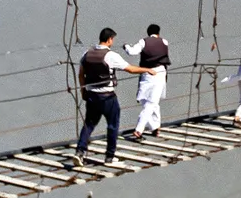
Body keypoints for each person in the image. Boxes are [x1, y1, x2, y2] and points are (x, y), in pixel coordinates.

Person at [70, 28, 158, 167]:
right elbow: (130, 69)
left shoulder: (86, 54)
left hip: (92, 96)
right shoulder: (110, 55)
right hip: (107, 97)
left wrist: (83, 92)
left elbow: (81, 74)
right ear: (110, 39)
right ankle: (110, 156)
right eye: (113, 39)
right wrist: (147, 69)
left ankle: (79, 152)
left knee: (89, 124)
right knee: (112, 125)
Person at [123, 24, 170, 139]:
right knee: (152, 102)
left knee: (148, 102)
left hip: (147, 73)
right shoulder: (165, 41)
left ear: (148, 33)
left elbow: (132, 52)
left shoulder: (143, 42)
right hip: (160, 73)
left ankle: (139, 129)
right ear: (158, 33)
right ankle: (155, 127)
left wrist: (126, 46)